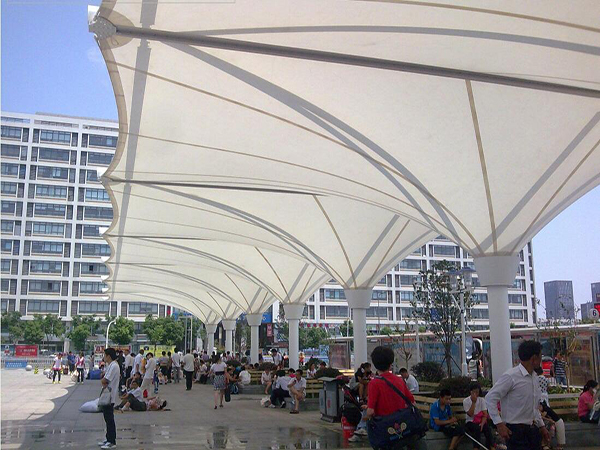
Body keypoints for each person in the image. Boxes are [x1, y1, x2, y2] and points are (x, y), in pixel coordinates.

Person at [486, 340, 550, 450]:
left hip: (532, 429)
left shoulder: (534, 377)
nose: (541, 360)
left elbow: (533, 407)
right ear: (534, 358)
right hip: (516, 431)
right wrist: (499, 424)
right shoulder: (511, 376)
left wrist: (542, 426)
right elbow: (490, 398)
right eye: (540, 356)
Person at [360, 346, 424, 449]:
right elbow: (412, 402)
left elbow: (371, 411)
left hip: (386, 433)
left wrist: (366, 414)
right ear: (391, 364)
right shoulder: (399, 380)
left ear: (375, 365)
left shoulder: (374, 383)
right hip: (403, 430)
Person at [463, 382, 494, 450]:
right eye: (474, 392)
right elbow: (470, 414)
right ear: (470, 392)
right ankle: (476, 447)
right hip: (470, 422)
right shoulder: (466, 401)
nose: (476, 394)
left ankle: (491, 446)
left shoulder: (482, 400)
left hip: (480, 421)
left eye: (477, 392)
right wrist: (473, 402)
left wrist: (482, 423)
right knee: (476, 429)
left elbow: (485, 414)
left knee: (488, 429)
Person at [98, 347, 119, 449]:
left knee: (110, 419)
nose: (104, 357)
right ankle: (108, 438)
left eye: (104, 355)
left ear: (109, 356)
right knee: (107, 419)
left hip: (110, 396)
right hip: (108, 395)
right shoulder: (110, 365)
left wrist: (103, 379)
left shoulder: (114, 366)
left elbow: (105, 380)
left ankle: (112, 441)